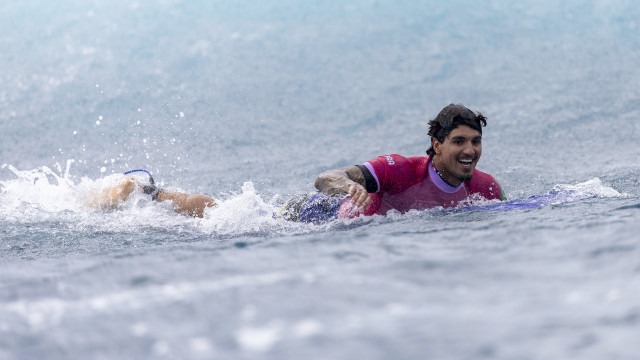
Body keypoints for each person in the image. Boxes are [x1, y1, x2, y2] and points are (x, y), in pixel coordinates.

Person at [90, 104, 505, 220]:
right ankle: (146, 190)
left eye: (475, 141)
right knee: (230, 217)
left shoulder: (486, 188)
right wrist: (351, 187)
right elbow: (325, 178)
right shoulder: (399, 168)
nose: (469, 150)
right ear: (435, 145)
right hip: (319, 213)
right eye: (458, 142)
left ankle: (150, 192)